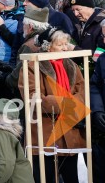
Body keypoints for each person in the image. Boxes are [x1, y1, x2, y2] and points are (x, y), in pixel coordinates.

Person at [19, 29, 84, 183]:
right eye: (60, 44)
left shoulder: (71, 65)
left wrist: (68, 103)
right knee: (45, 177)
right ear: (48, 47)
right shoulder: (31, 66)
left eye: (66, 44)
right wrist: (67, 103)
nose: (65, 48)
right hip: (44, 133)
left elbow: (82, 92)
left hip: (70, 132)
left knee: (72, 177)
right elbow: (33, 97)